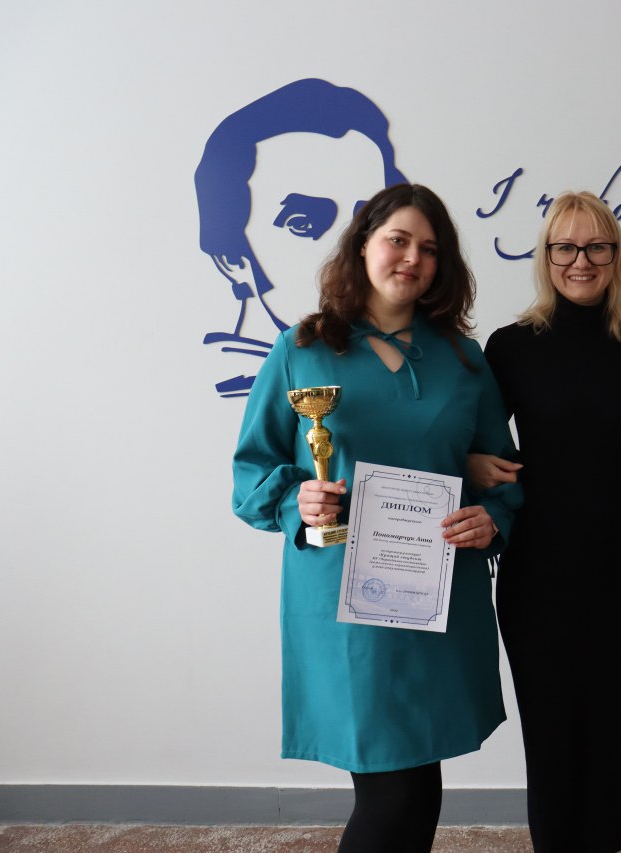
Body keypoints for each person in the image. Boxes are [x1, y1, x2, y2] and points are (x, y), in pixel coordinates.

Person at [232, 183, 522, 853]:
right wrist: (296, 501)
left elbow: (504, 475)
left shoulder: (463, 360)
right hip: (347, 603)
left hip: (438, 593)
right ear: (363, 244)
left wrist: (491, 520)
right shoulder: (301, 349)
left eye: (430, 248)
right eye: (398, 240)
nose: (413, 258)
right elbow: (251, 475)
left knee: (420, 785)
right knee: (390, 791)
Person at [468, 191, 621, 852]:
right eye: (566, 247)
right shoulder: (510, 346)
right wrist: (470, 462)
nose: (581, 261)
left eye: (596, 246)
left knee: (606, 717)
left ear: (616, 255)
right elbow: (478, 438)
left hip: (617, 559)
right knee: (549, 725)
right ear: (546, 256)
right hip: (536, 564)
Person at [195, 78, 407, 397]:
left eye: (367, 222)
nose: (351, 246)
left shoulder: (413, 369)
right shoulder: (241, 385)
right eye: (304, 223)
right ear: (231, 258)